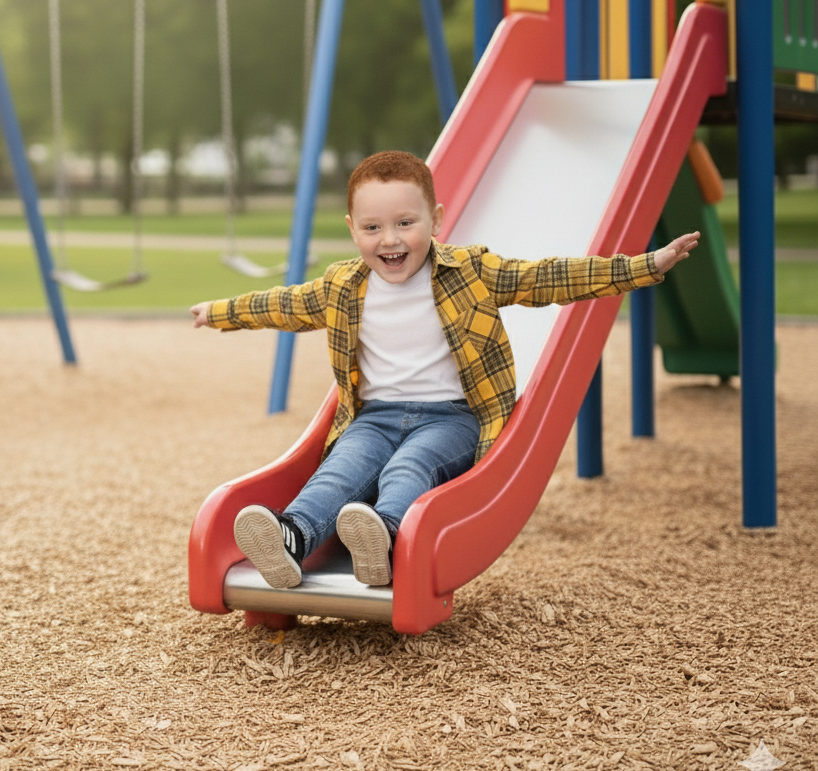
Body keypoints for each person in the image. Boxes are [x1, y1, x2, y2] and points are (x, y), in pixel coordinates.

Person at [190, 151, 699, 591]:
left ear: (435, 219)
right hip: (375, 417)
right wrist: (219, 313)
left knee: (407, 469)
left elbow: (548, 278)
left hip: (452, 418)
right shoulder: (344, 286)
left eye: (405, 223)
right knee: (340, 471)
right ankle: (291, 538)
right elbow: (282, 304)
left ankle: (382, 540)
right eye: (372, 228)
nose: (389, 240)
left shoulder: (470, 272)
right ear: (353, 229)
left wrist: (643, 266)